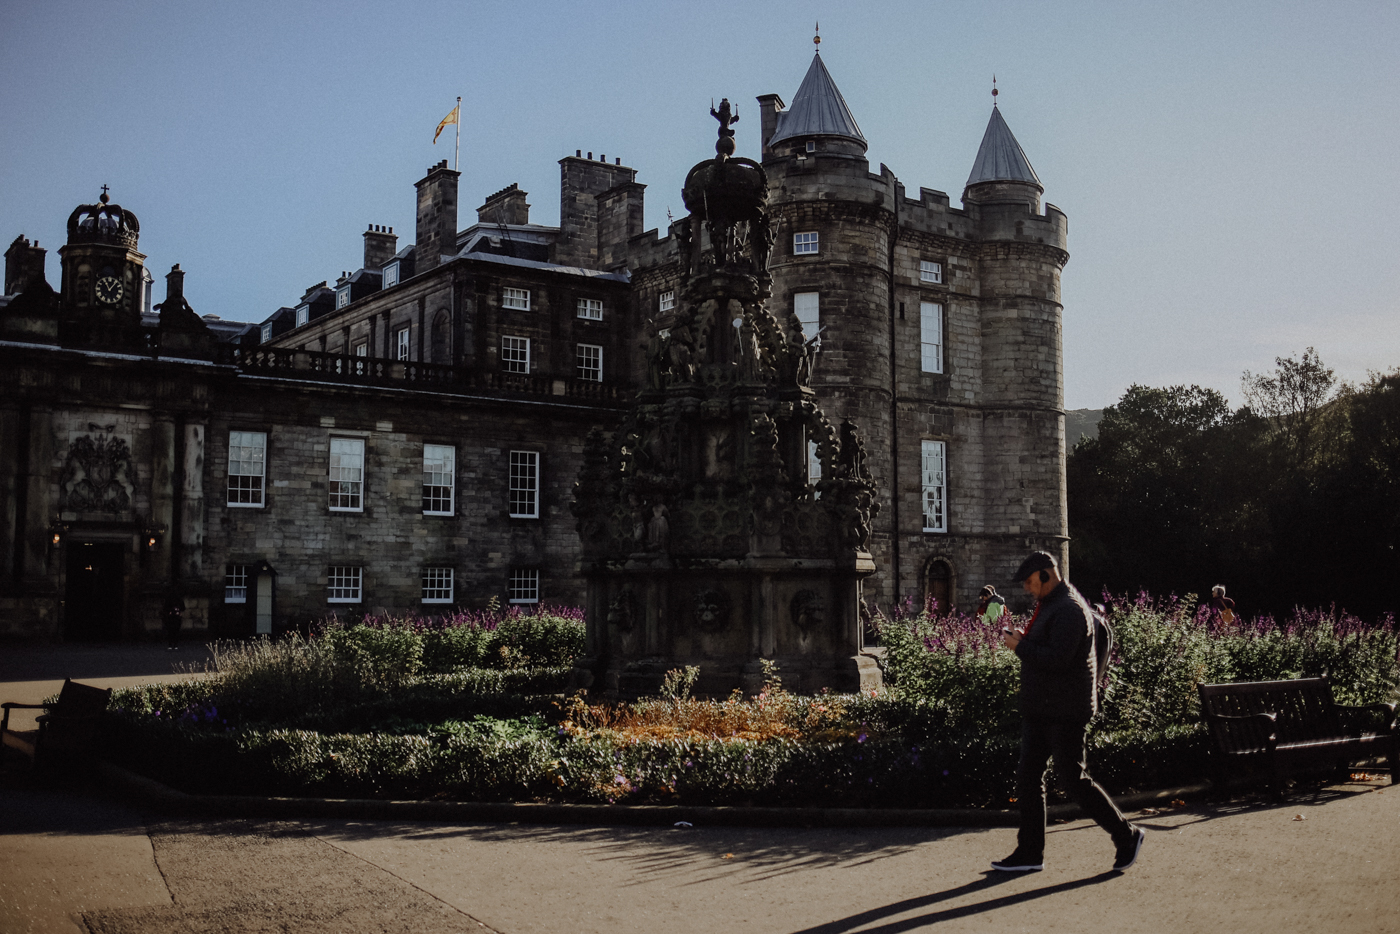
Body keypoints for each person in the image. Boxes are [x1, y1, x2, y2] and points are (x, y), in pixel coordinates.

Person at [993, 551, 1145, 873]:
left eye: (1032, 582)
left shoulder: (1069, 609)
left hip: (1065, 711)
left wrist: (1019, 647)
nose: (1029, 589)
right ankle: (1030, 852)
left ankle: (1127, 835)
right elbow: (1048, 647)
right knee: (1029, 777)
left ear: (1047, 575)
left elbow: (1057, 660)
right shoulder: (1053, 604)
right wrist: (1024, 638)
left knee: (1073, 779)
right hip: (1043, 708)